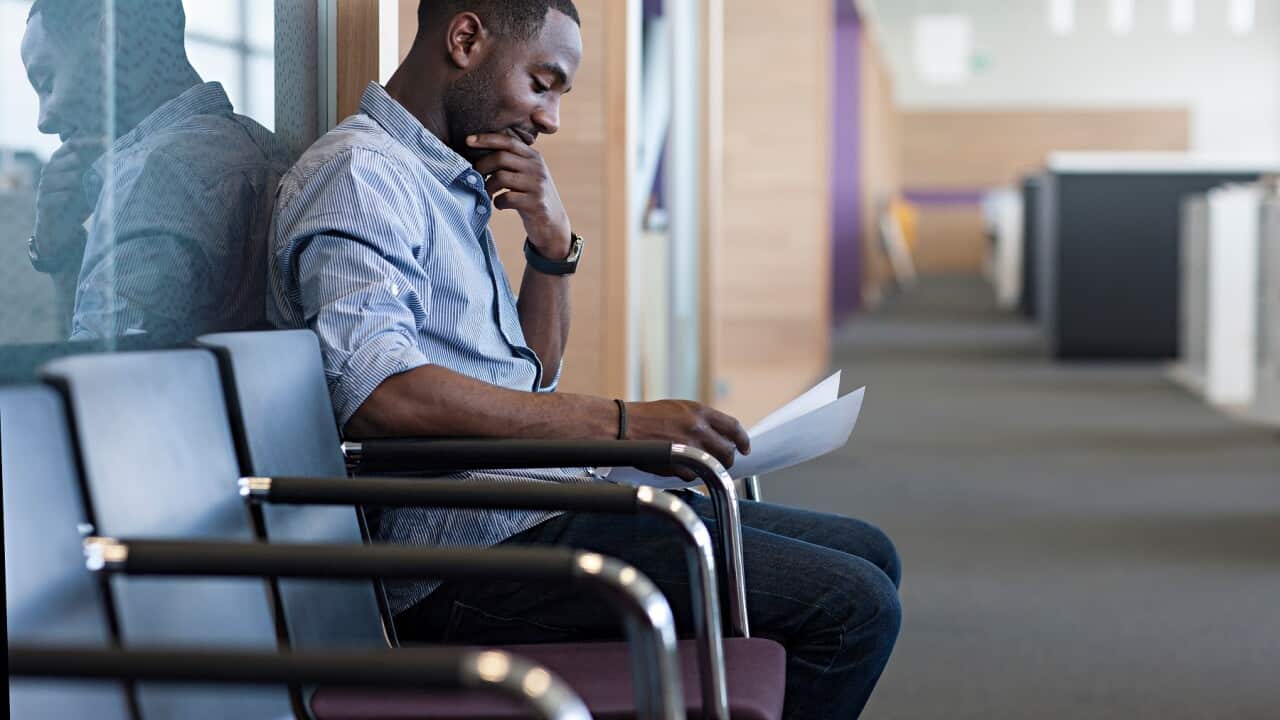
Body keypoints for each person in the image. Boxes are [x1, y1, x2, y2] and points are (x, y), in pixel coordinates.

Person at [269, 2, 901, 716]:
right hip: (463, 559)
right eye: (543, 82)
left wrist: (552, 248)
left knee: (872, 552)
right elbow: (378, 393)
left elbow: (531, 378)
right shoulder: (363, 175)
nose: (551, 120)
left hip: (534, 508)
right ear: (467, 38)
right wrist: (622, 423)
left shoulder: (444, 180)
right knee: (853, 609)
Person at [20, 0, 291, 341]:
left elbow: (97, 382)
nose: (44, 121)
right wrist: (62, 253)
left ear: (107, 40)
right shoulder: (266, 149)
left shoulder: (153, 177)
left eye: (46, 82)